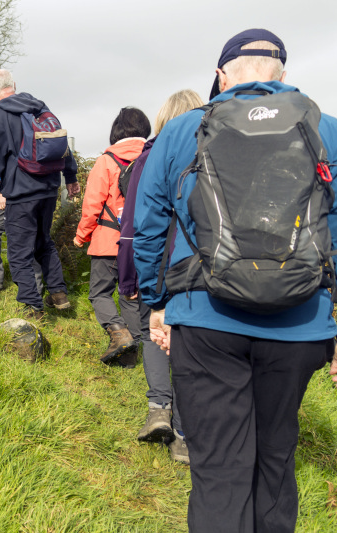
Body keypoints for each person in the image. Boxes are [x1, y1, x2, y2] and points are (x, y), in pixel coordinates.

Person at [133, 29, 337, 532]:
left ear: (221, 76)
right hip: (299, 326)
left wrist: (155, 302)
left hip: (207, 323)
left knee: (219, 476)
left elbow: (146, 230)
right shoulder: (331, 132)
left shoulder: (185, 129)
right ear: (282, 75)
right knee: (275, 466)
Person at [118, 90, 204, 465]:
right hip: (200, 271)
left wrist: (130, 279)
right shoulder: (214, 157)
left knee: (154, 334)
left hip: (158, 265)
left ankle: (158, 409)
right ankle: (184, 435)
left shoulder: (149, 159)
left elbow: (135, 226)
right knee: (190, 346)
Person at [0, 69, 79, 319]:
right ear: (14, 85)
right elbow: (59, 142)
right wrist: (71, 176)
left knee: (19, 251)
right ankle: (58, 294)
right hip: (48, 189)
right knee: (43, 242)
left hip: (22, 192)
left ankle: (33, 308)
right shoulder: (38, 107)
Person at [74, 108, 150, 367]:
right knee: (131, 294)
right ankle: (135, 356)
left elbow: (92, 204)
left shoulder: (106, 161)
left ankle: (118, 332)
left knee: (99, 294)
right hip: (141, 241)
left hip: (108, 240)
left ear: (117, 130)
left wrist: (81, 236)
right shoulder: (152, 157)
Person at [0, 185, 44, 293]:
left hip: (10, 192)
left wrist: (3, 192)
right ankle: (34, 286)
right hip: (38, 192)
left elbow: (8, 168)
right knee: (28, 234)